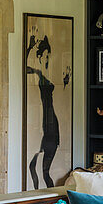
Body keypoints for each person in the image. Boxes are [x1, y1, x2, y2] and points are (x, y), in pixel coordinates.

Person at [25, 33, 60, 189]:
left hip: (51, 127)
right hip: (42, 128)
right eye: (46, 56)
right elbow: (22, 66)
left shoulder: (44, 75)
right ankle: (35, 196)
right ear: (39, 57)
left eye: (49, 57)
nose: (48, 60)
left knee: (45, 171)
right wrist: (30, 47)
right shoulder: (36, 74)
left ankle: (49, 201)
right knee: (34, 167)